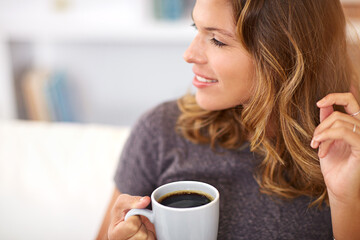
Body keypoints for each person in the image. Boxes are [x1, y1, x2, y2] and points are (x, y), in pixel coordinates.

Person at [96, 0, 360, 239]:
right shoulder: (160, 130)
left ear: (283, 55)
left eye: (217, 40)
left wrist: (346, 200)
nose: (189, 54)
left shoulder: (349, 154)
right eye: (196, 28)